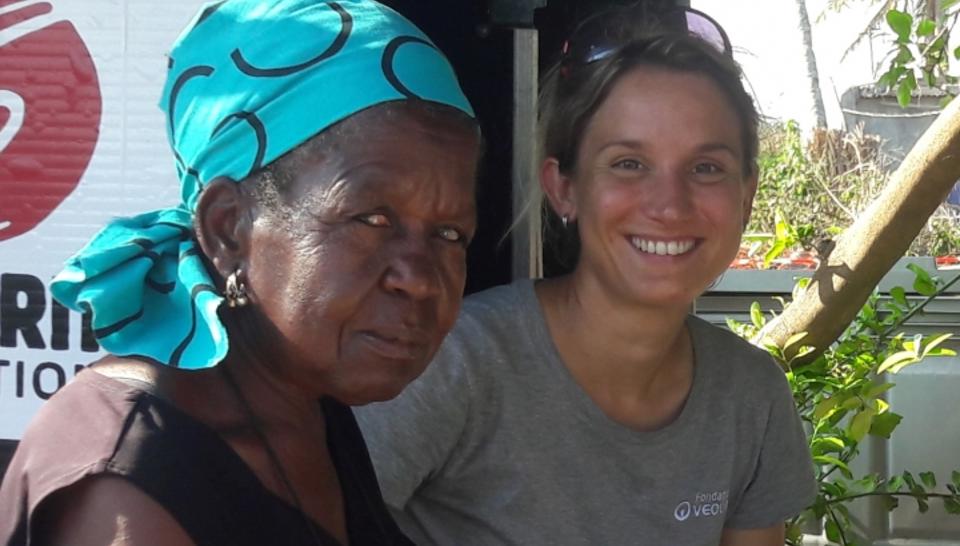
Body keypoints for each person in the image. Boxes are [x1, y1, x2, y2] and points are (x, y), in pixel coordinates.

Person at [0, 1, 481, 544]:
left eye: (449, 234)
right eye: (370, 218)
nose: (419, 279)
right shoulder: (128, 486)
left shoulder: (304, 405)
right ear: (229, 228)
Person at [356, 6, 817, 546]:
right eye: (628, 163)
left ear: (747, 195)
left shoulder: (750, 396)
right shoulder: (455, 364)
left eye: (706, 167)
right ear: (564, 188)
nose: (669, 205)